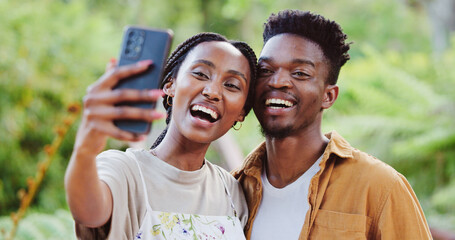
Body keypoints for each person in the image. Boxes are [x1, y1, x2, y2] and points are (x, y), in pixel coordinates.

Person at [232, 10, 432, 239]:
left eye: (299, 73)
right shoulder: (233, 189)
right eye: (266, 70)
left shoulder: (380, 187)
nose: (277, 81)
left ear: (329, 96)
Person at [65, 32, 257, 239]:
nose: (212, 92)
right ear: (170, 85)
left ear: (242, 113)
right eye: (200, 74)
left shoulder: (231, 191)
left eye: (232, 85)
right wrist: (85, 148)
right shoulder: (124, 171)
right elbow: (88, 212)